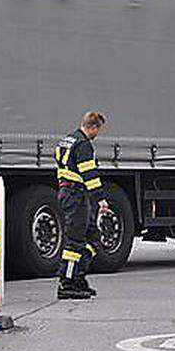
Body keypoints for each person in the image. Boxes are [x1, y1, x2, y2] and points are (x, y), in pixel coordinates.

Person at [55, 111, 111, 300]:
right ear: (93, 127)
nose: (97, 134)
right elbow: (90, 175)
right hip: (76, 194)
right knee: (75, 241)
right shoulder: (84, 145)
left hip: (67, 192)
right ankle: (67, 282)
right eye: (98, 130)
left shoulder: (67, 140)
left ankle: (79, 277)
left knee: (92, 236)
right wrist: (100, 199)